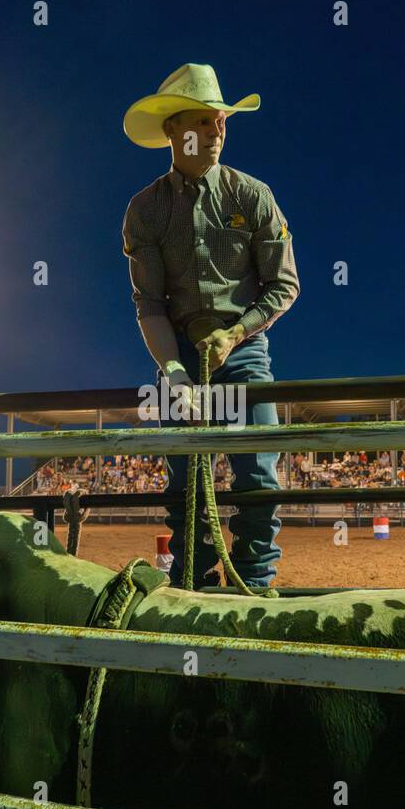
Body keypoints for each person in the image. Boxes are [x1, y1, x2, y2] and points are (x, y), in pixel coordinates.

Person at [121, 63, 300, 589]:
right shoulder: (145, 210)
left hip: (243, 350)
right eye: (204, 120)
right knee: (182, 479)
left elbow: (284, 286)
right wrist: (174, 369)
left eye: (221, 120)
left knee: (259, 473)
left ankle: (254, 585)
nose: (217, 131)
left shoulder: (253, 196)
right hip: (177, 352)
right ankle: (194, 581)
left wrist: (237, 332)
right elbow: (150, 303)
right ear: (173, 131)